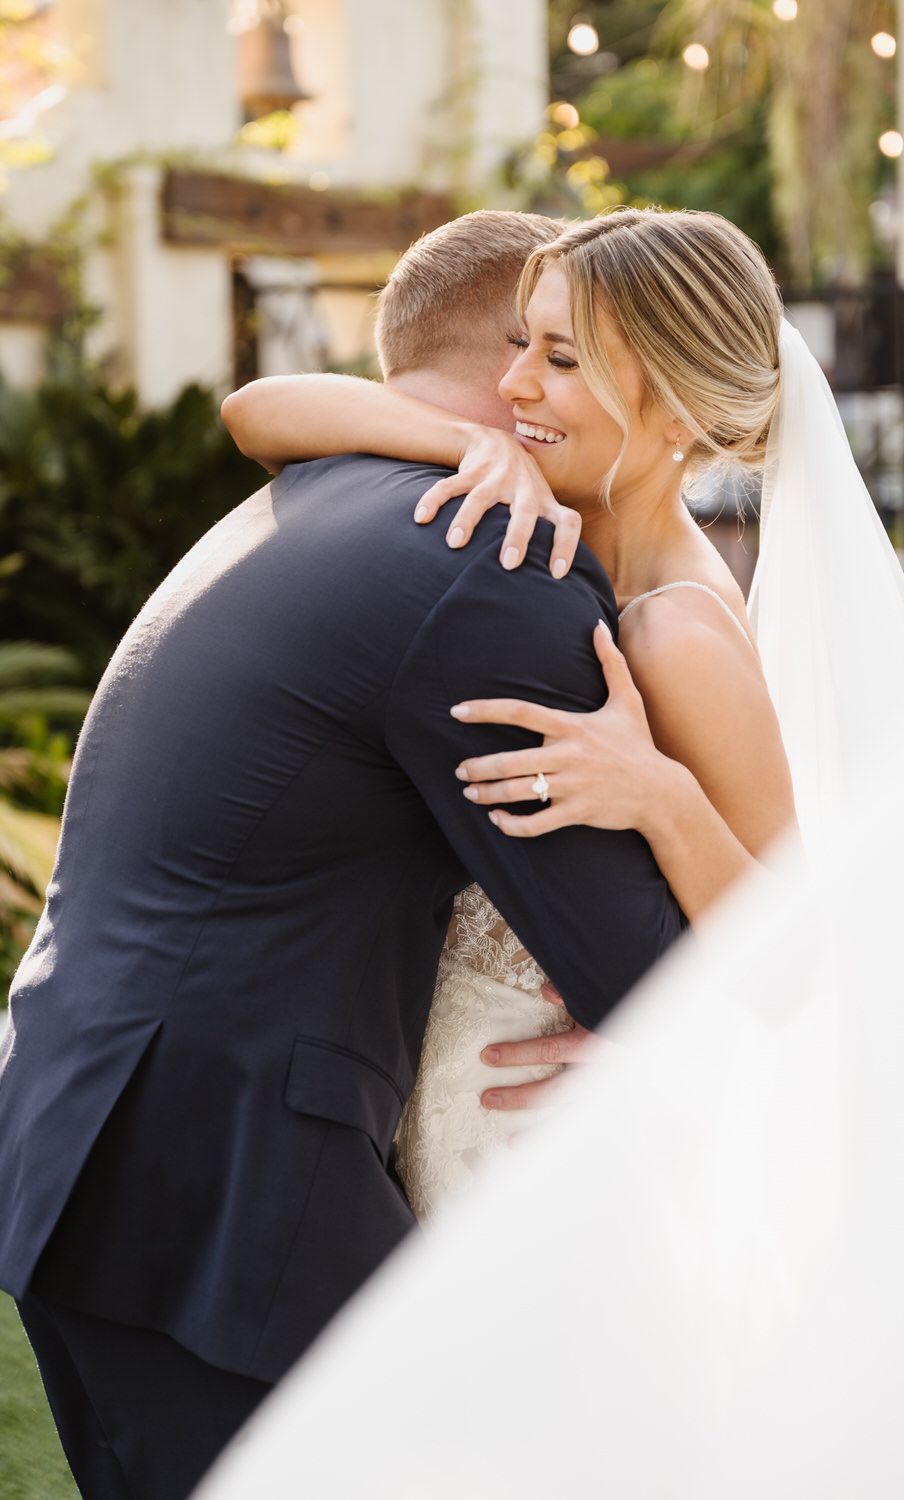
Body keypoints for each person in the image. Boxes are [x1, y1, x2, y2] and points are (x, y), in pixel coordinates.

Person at [0, 210, 688, 1500]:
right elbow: (652, 979)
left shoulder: (299, 502)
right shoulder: (491, 554)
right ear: (514, 362)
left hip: (87, 1136)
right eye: (560, 350)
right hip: (225, 1186)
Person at [221, 207, 799, 1219]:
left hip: (548, 1145)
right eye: (522, 342)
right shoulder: (530, 501)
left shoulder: (673, 631)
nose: (514, 382)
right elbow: (256, 411)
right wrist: (456, 440)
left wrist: (658, 796)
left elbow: (793, 954)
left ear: (675, 413)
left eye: (560, 358)